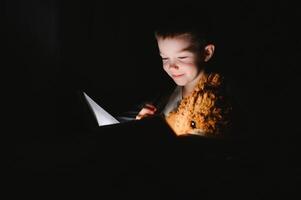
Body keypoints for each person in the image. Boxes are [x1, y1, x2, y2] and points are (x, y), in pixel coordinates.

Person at [134, 11, 237, 137]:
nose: (171, 66)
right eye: (165, 58)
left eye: (182, 57)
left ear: (207, 53)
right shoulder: (176, 90)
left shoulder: (214, 101)